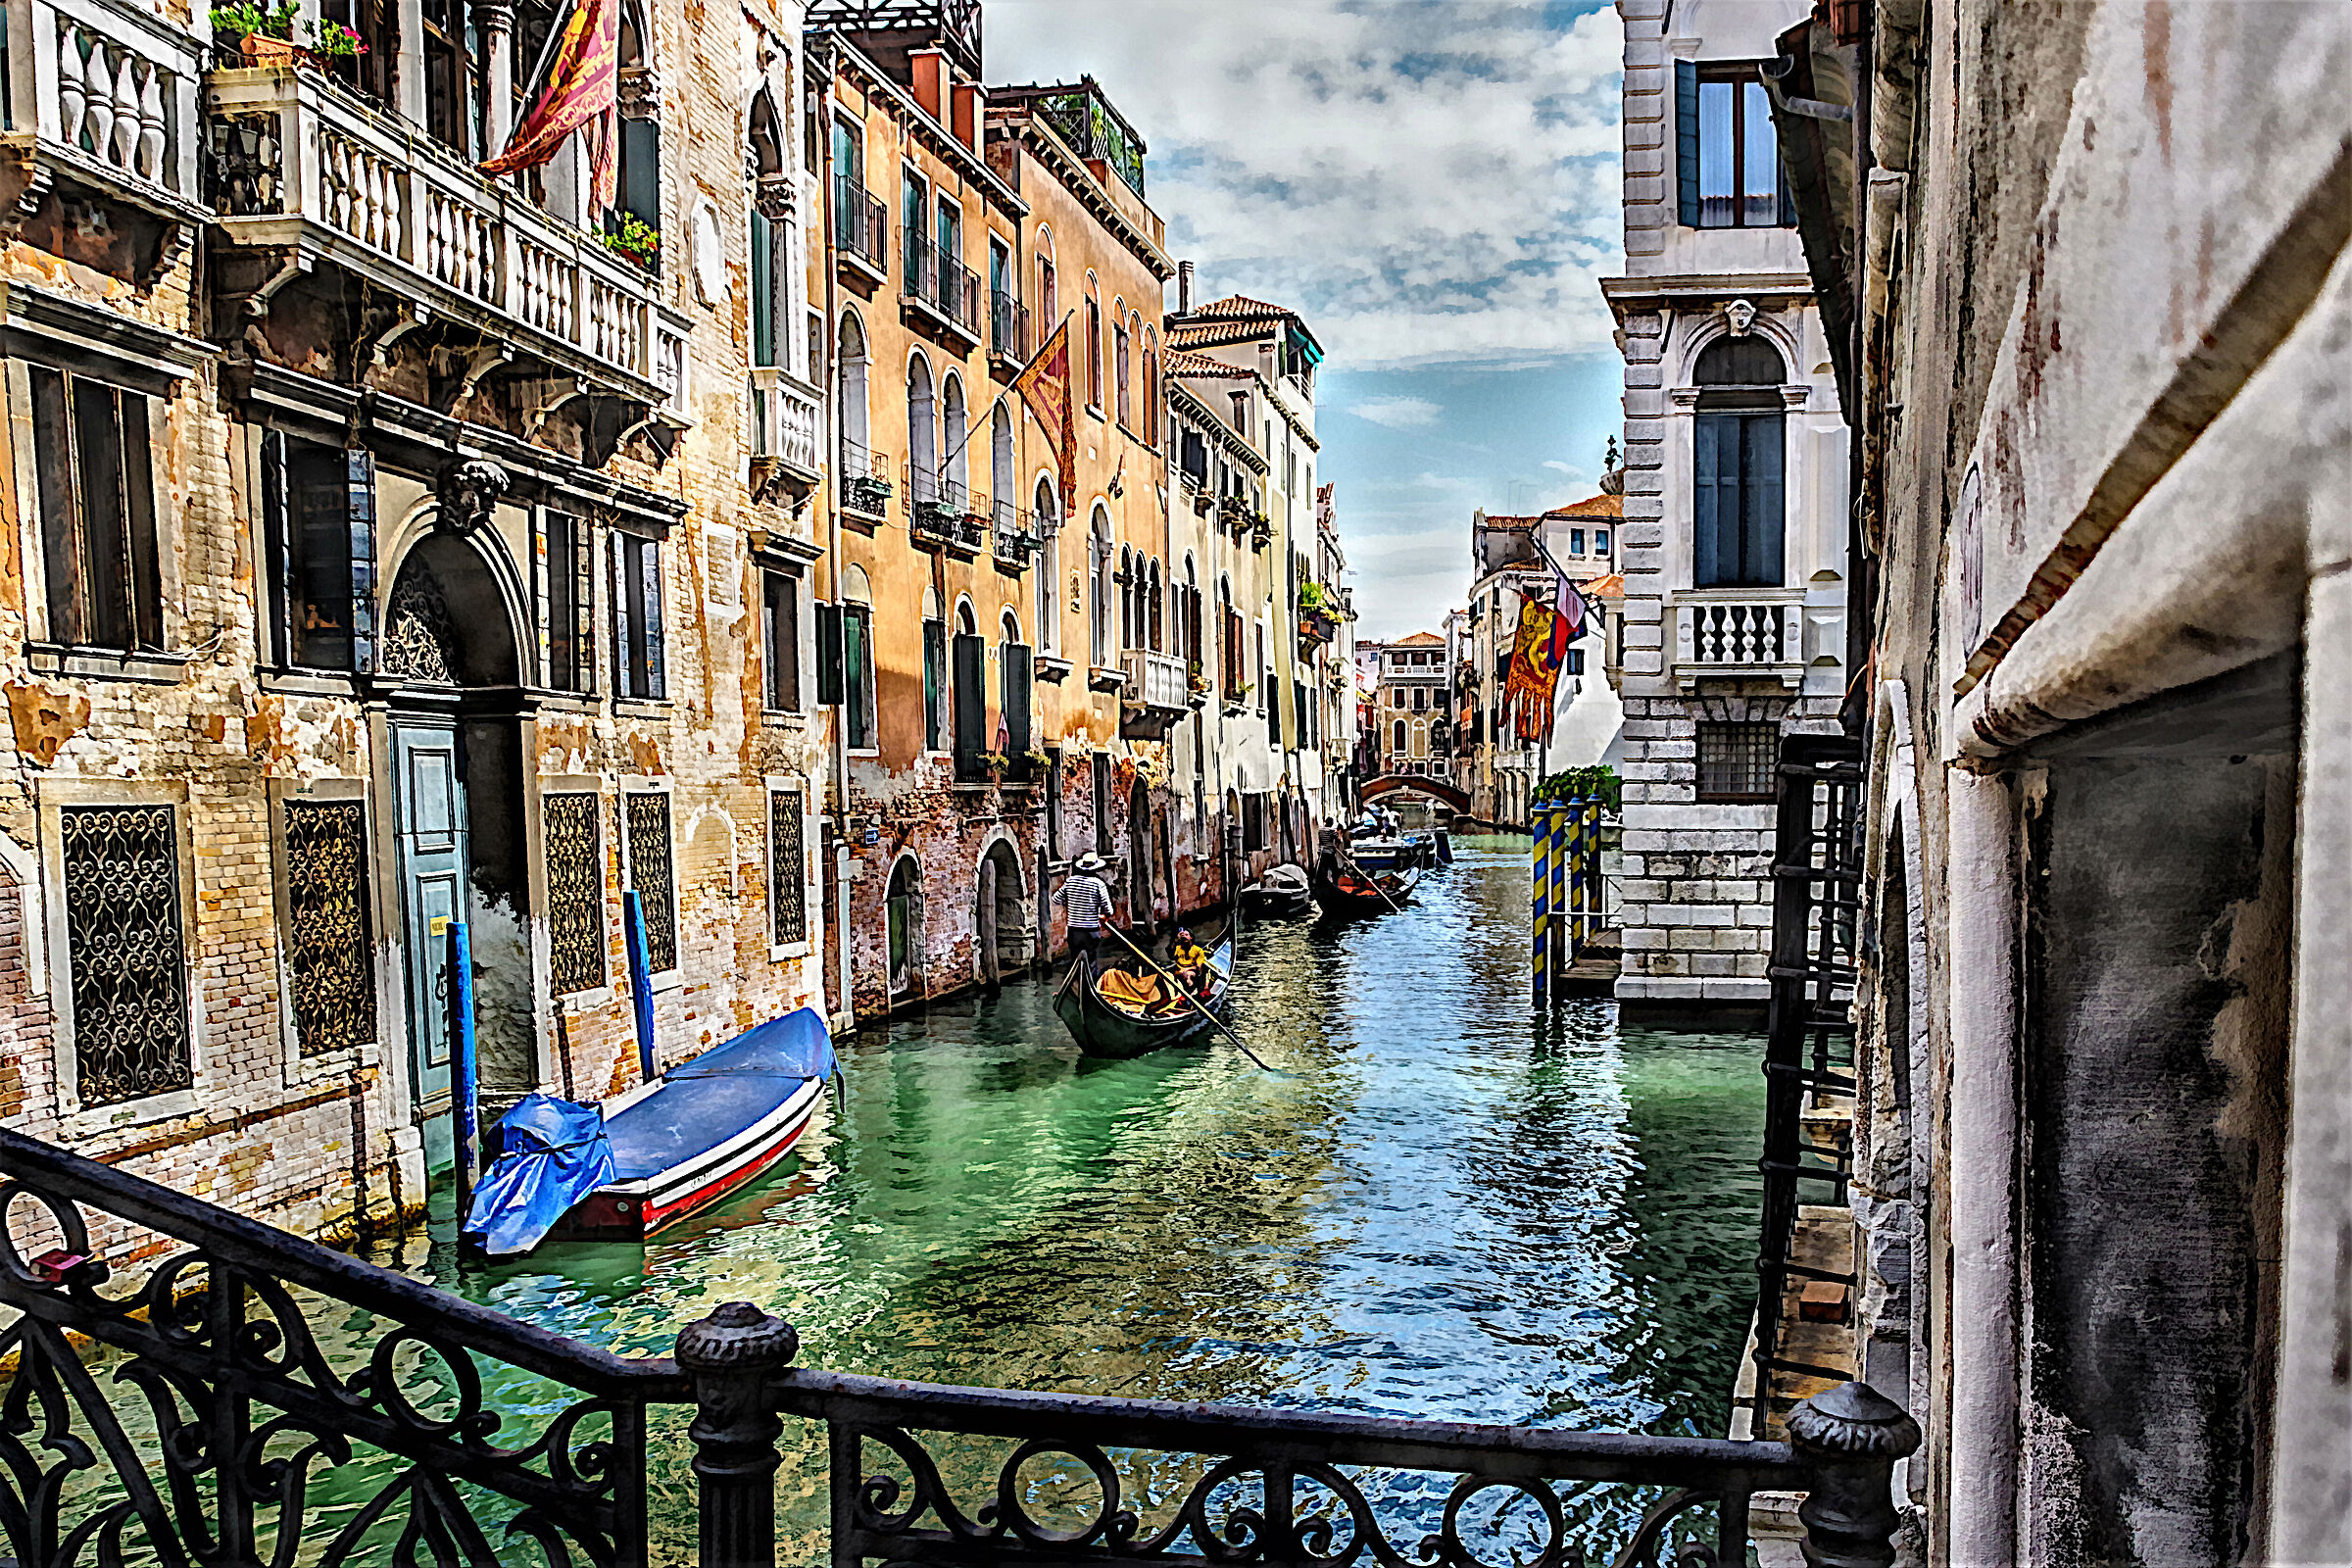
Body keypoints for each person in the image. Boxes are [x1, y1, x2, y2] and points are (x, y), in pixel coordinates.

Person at [1054, 853, 1115, 970]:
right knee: (1091, 962)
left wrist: (1071, 905)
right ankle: (1088, 987)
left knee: (1075, 962)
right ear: (1096, 868)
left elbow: (1056, 899)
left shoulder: (1070, 881)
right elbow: (1108, 909)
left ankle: (1077, 986)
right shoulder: (1098, 884)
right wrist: (1104, 916)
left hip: (1074, 931)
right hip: (1091, 931)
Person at [1171, 927, 1212, 997]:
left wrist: (1186, 970)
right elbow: (1171, 955)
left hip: (1192, 971)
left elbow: (1198, 967)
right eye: (1182, 935)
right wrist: (1176, 940)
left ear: (1191, 937)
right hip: (1179, 971)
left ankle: (1191, 992)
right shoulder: (1178, 948)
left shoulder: (1198, 950)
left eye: (1186, 935)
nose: (1184, 937)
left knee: (1187, 975)